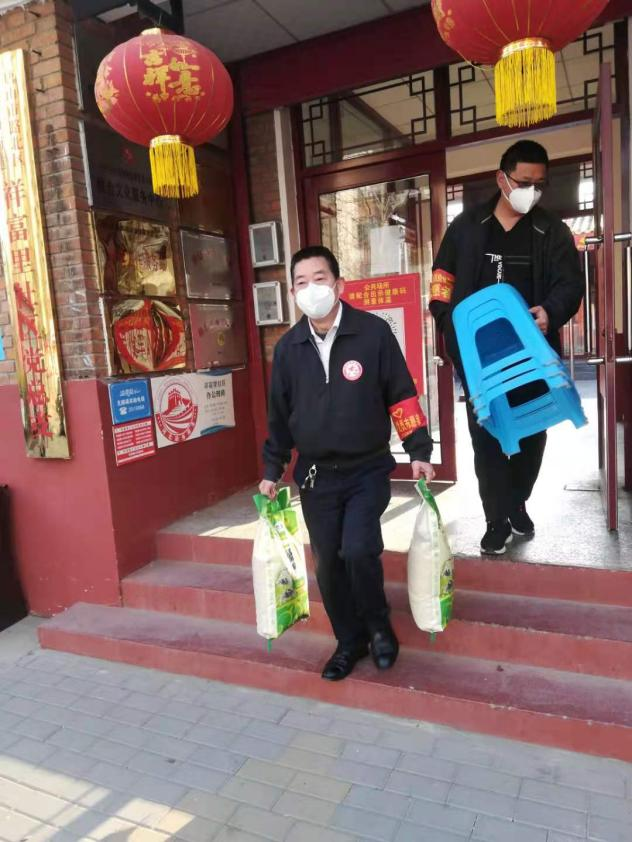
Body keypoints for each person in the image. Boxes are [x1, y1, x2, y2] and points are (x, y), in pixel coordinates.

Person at [259, 245, 435, 681]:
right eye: (301, 282)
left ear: (338, 285)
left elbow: (401, 394)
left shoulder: (372, 333)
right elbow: (279, 416)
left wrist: (418, 450)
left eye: (319, 279)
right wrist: (272, 469)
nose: (310, 289)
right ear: (293, 293)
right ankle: (349, 641)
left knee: (357, 549)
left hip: (367, 468)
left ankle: (379, 628)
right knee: (328, 563)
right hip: (315, 475)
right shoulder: (289, 349)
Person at [430, 140, 583, 555]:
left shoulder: (551, 231)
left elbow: (571, 283)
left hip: (532, 358)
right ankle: (495, 520)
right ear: (502, 179)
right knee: (487, 438)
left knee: (531, 435)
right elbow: (442, 279)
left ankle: (517, 501)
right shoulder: (466, 227)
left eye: (539, 184)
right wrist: (446, 322)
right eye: (523, 182)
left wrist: (550, 311)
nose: (531, 191)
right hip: (480, 360)